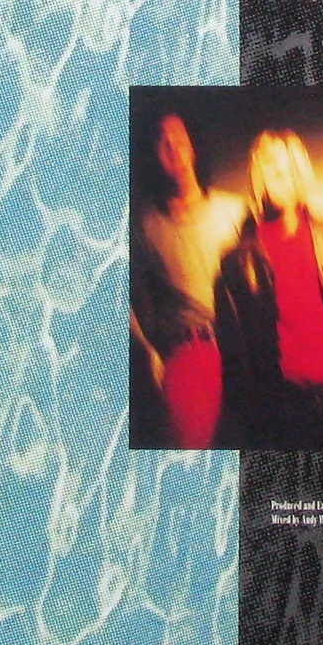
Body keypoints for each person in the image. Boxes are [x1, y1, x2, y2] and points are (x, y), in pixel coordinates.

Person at [215, 130, 323, 449]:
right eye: (271, 163)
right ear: (257, 174)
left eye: (289, 163)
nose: (281, 172)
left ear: (301, 171)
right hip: (286, 406)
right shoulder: (237, 262)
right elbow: (235, 356)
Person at [130, 113, 247, 448]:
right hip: (188, 357)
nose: (173, 148)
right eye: (162, 142)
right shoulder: (145, 224)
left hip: (242, 354)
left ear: (193, 146)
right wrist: (149, 352)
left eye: (179, 139)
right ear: (153, 154)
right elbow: (122, 293)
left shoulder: (235, 210)